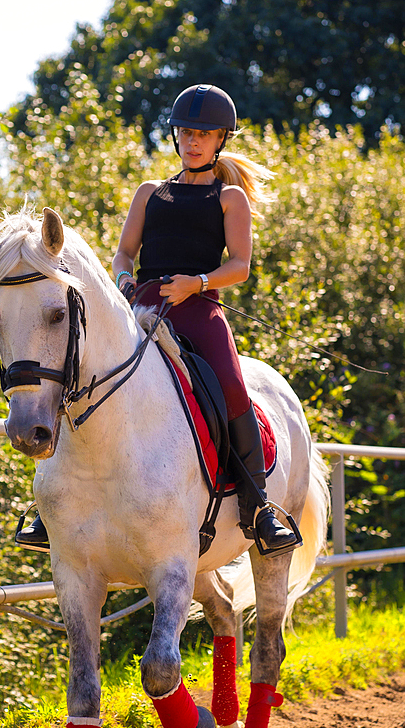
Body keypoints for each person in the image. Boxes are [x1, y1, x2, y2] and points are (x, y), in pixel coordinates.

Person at [16, 84, 300, 555]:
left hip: (198, 306)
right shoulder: (150, 193)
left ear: (220, 141)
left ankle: (258, 506)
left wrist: (197, 282)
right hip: (142, 305)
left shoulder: (229, 198)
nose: (193, 142)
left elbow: (240, 266)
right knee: (76, 376)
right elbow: (124, 252)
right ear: (176, 137)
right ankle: (54, 504)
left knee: (231, 387)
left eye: (203, 135)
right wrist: (124, 279)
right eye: (186, 133)